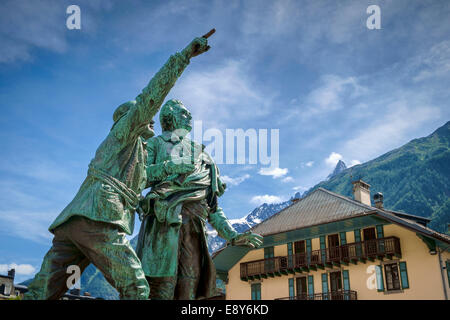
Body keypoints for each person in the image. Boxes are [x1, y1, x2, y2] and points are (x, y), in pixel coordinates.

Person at [23, 32, 213, 300]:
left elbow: (149, 175)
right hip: (100, 221)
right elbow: (151, 94)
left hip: (73, 226)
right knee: (136, 289)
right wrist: (184, 57)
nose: (151, 119)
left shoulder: (127, 152)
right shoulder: (125, 133)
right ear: (128, 118)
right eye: (143, 114)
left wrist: (175, 167)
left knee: (42, 292)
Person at [136, 99, 263, 300]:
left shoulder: (201, 153)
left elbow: (212, 205)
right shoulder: (155, 144)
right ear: (169, 117)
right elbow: (139, 177)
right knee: (162, 287)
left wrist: (231, 235)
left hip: (195, 229)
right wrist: (171, 167)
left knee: (191, 285)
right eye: (184, 113)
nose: (190, 117)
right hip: (164, 226)